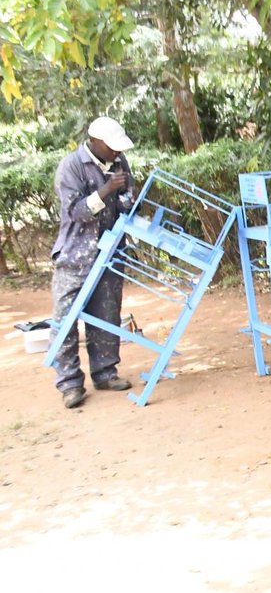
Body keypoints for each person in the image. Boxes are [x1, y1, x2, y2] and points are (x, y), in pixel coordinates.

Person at [49, 116, 137, 409]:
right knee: (65, 319)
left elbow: (129, 199)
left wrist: (125, 198)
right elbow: (75, 212)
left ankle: (105, 372)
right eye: (111, 147)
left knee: (108, 313)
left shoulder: (119, 161)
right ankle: (70, 384)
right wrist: (105, 190)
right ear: (95, 142)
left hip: (109, 253)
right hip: (75, 255)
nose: (116, 153)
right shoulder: (72, 166)